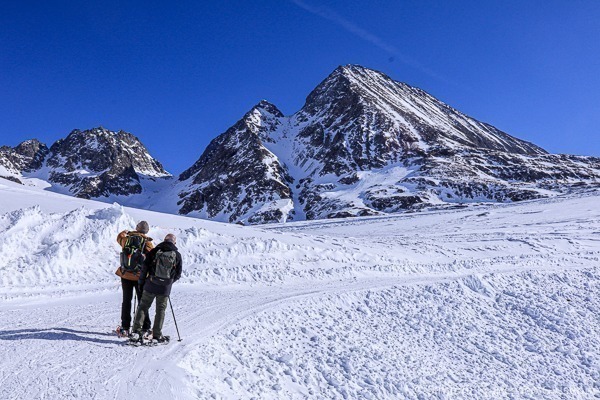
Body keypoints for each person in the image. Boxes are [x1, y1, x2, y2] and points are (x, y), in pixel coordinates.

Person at [131, 233, 182, 343]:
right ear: (174, 242)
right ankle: (157, 335)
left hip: (151, 284)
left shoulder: (154, 251)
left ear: (164, 240)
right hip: (164, 288)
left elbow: (145, 268)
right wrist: (169, 282)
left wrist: (141, 282)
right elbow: (178, 274)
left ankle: (136, 332)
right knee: (160, 310)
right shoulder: (177, 255)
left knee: (143, 306)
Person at [115, 221, 153, 337]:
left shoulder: (127, 240)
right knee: (142, 301)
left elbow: (119, 238)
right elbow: (152, 257)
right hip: (139, 276)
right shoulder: (147, 243)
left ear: (137, 228)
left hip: (125, 274)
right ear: (146, 231)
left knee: (126, 300)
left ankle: (125, 328)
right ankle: (145, 327)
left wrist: (125, 232)